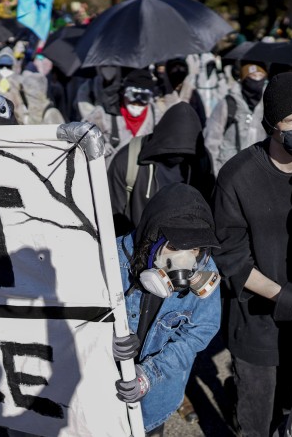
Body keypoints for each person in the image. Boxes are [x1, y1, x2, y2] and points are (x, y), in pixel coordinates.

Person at [212, 72, 292, 436]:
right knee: (256, 417)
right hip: (258, 324)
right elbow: (231, 260)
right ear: (272, 124)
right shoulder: (237, 177)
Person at [112, 183, 221, 436]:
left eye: (193, 248)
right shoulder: (109, 261)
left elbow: (200, 332)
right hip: (103, 396)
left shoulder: (205, 269)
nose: (185, 260)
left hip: (156, 402)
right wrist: (104, 339)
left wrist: (150, 374)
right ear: (151, 237)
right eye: (174, 245)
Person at [108, 101, 215, 237]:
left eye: (184, 154)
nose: (178, 157)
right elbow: (112, 215)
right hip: (135, 246)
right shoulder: (127, 161)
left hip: (185, 248)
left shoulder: (201, 162)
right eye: (171, 152)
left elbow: (207, 211)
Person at [85, 68, 162, 167]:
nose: (137, 102)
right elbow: (82, 135)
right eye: (133, 95)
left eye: (144, 97)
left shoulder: (156, 115)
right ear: (123, 93)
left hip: (142, 176)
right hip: (110, 176)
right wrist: (98, 146)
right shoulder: (105, 113)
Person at [203, 62, 268, 175]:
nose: (257, 80)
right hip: (228, 171)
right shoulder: (228, 104)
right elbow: (211, 141)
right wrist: (216, 172)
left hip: (257, 172)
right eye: (252, 76)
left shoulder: (267, 105)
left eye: (260, 76)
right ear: (243, 79)